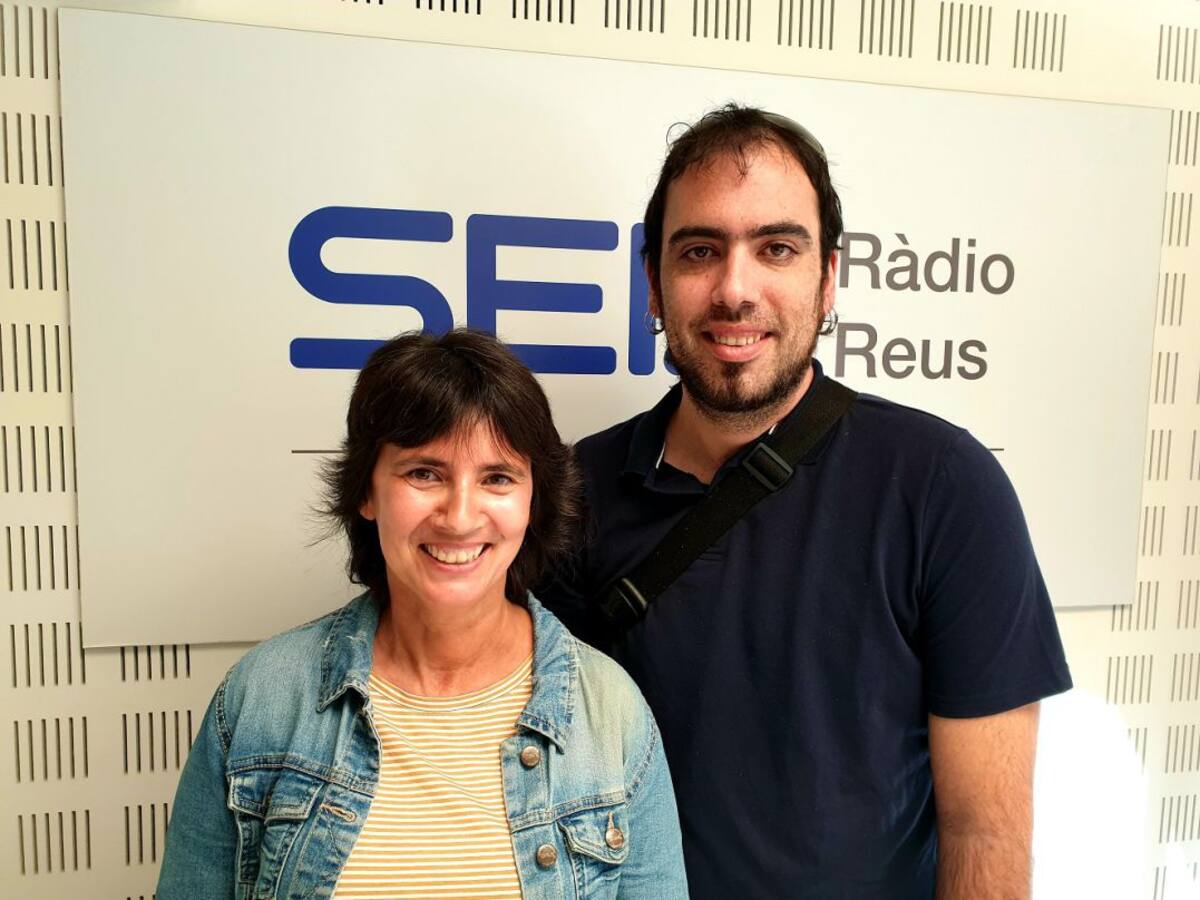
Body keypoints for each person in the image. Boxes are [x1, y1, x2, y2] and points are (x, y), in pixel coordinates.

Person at [539, 105, 1072, 899]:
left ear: (827, 280)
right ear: (653, 282)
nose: (734, 289)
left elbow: (985, 835)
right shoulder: (575, 491)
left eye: (777, 249)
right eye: (700, 251)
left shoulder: (944, 486)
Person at [157, 330, 688, 899]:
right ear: (366, 491)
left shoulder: (611, 715)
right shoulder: (262, 697)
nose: (459, 518)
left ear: (533, 500)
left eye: (497, 478)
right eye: (424, 474)